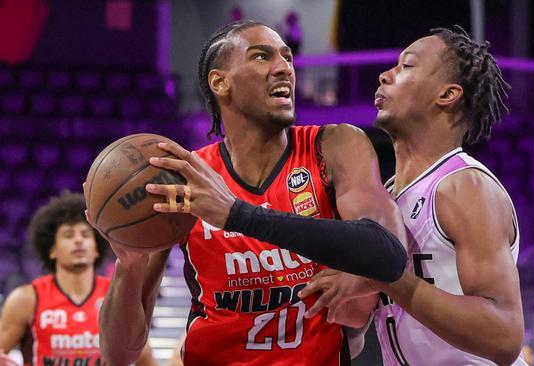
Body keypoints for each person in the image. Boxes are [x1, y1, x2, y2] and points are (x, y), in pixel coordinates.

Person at [95, 20, 407, 366]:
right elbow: (118, 356)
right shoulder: (185, 177)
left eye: (287, 58)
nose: (284, 68)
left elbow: (389, 253)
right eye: (262, 56)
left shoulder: (334, 145)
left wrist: (358, 276)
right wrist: (130, 264)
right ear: (220, 82)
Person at [300, 26, 528, 365]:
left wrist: (389, 280)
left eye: (406, 66)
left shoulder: (463, 185)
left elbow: (504, 335)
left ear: (447, 94)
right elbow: (361, 324)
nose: (385, 75)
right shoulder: (384, 199)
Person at [0, 191, 156, 366]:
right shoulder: (26, 299)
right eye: (68, 235)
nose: (78, 241)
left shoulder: (118, 295)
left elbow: (145, 360)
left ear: (97, 248)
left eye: (85, 234)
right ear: (51, 250)